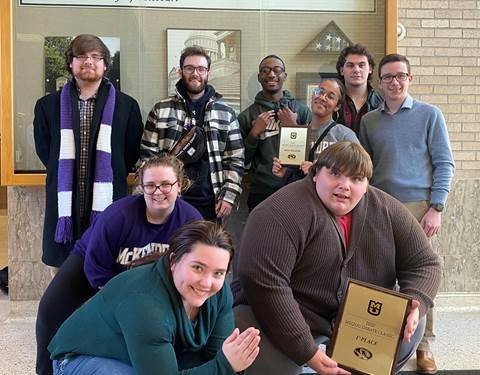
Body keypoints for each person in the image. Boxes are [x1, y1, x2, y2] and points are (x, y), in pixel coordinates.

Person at [232, 141, 441, 375]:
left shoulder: (387, 209)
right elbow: (265, 284)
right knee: (267, 352)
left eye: (356, 179)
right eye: (335, 174)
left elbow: (424, 262)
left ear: (366, 184)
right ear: (315, 173)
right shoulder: (278, 212)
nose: (345, 186)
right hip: (283, 314)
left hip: (354, 318)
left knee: (410, 318)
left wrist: (416, 302)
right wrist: (308, 353)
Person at [36, 154, 203, 375]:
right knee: (49, 309)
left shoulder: (190, 221)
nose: (158, 191)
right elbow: (95, 264)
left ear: (179, 186)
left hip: (151, 283)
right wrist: (116, 302)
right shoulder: (118, 214)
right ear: (141, 187)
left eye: (165, 185)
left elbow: (195, 267)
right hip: (97, 265)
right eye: (150, 185)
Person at [48, 220, 261, 374]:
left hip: (145, 357)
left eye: (218, 273)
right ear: (174, 261)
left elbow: (213, 357)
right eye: (197, 268)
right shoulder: (145, 302)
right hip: (81, 359)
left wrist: (224, 364)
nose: (207, 283)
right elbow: (222, 364)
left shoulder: (219, 292)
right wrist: (227, 365)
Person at [359, 53, 455, 375]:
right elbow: (365, 169)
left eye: (401, 75)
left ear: (410, 79)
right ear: (380, 82)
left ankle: (425, 348)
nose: (394, 82)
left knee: (421, 278)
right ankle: (386, 342)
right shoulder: (369, 121)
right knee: (383, 277)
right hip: (380, 207)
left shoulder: (430, 115)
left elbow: (445, 164)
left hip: (419, 208)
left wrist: (436, 207)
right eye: (387, 77)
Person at [33, 34, 144, 268]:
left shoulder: (127, 106)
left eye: (96, 56)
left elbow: (130, 153)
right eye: (81, 56)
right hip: (66, 199)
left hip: (108, 198)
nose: (89, 61)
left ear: (105, 64)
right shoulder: (47, 105)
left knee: (107, 265)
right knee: (63, 274)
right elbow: (45, 151)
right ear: (70, 63)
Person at [140, 46, 244, 222]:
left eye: (201, 69)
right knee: (171, 249)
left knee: (207, 249)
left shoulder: (226, 113)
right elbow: (147, 157)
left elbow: (236, 158)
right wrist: (154, 194)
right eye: (189, 68)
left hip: (212, 202)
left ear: (208, 73)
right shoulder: (161, 110)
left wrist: (229, 195)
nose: (195, 73)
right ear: (181, 71)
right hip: (170, 200)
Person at [238, 55, 311, 211]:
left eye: (277, 70)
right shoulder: (247, 116)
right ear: (259, 77)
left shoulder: (302, 111)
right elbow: (241, 160)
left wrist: (293, 127)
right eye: (265, 71)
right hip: (261, 191)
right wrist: (254, 134)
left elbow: (310, 156)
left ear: (284, 75)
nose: (271, 75)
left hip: (297, 188)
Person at [272, 78, 358, 183]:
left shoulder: (345, 135)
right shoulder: (298, 133)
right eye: (320, 92)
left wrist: (318, 171)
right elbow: (292, 172)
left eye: (330, 97)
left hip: (328, 197)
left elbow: (358, 170)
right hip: (299, 195)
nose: (322, 97)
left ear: (337, 106)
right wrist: (283, 171)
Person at [336, 43, 383, 136]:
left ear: (370, 69)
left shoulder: (382, 104)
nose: (356, 70)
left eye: (361, 65)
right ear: (341, 70)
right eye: (350, 65)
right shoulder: (333, 102)